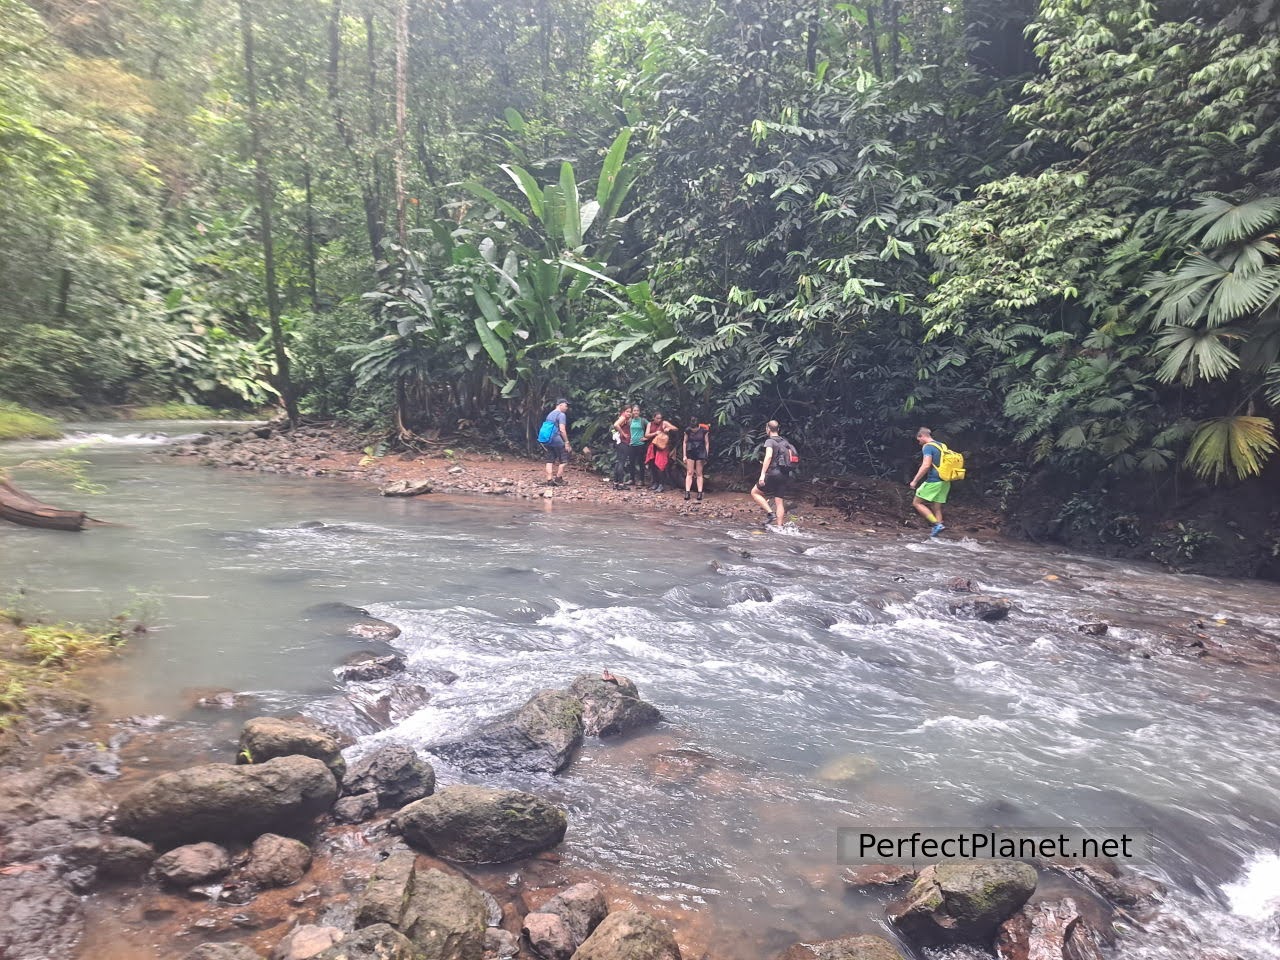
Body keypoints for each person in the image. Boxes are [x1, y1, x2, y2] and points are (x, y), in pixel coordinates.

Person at [751, 420, 794, 527]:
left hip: (773, 473)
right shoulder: (785, 442)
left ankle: (770, 514)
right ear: (778, 429)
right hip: (784, 474)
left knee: (755, 492)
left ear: (768, 429)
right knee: (779, 501)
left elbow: (768, 456)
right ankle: (780, 527)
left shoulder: (770, 441)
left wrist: (762, 474)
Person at [909, 426, 948, 537]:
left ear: (922, 436)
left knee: (916, 503)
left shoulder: (928, 447)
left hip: (934, 480)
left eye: (919, 439)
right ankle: (936, 535)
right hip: (945, 481)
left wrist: (915, 481)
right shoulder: (942, 445)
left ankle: (937, 524)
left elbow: (926, 465)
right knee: (937, 507)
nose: (919, 442)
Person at [539, 399, 572, 486]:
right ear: (560, 405)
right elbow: (562, 430)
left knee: (549, 460)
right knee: (564, 460)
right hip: (556, 440)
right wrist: (567, 442)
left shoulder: (550, 414)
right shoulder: (561, 415)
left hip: (547, 439)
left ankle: (549, 480)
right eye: (565, 405)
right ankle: (558, 479)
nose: (567, 408)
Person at [644, 410, 678, 492]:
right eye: (657, 418)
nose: (659, 420)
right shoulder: (649, 424)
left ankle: (661, 484)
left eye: (660, 418)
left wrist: (668, 428)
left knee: (660, 466)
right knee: (652, 465)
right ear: (654, 418)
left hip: (662, 448)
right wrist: (655, 433)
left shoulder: (664, 423)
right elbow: (646, 435)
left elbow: (676, 428)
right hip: (653, 446)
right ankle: (655, 482)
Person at [683, 419, 710, 501]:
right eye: (692, 429)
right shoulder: (687, 430)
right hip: (690, 451)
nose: (693, 430)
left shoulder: (704, 431)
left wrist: (706, 455)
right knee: (690, 472)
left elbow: (707, 443)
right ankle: (687, 492)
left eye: (695, 429)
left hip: (700, 452)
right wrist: (684, 455)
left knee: (699, 473)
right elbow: (684, 442)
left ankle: (700, 493)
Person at [611, 404, 633, 490]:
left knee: (619, 462)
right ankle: (620, 483)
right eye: (627, 411)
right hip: (623, 442)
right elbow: (616, 425)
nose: (629, 413)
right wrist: (623, 433)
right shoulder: (623, 417)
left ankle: (615, 482)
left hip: (620, 442)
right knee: (621, 462)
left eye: (630, 412)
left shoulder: (624, 418)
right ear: (623, 411)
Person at [626, 404, 647, 486]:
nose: (636, 412)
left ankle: (641, 480)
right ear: (632, 412)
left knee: (641, 463)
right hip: (632, 444)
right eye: (634, 410)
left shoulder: (643, 421)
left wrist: (646, 438)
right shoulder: (630, 421)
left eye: (637, 410)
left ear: (639, 412)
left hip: (641, 444)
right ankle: (632, 479)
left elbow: (650, 427)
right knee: (631, 463)